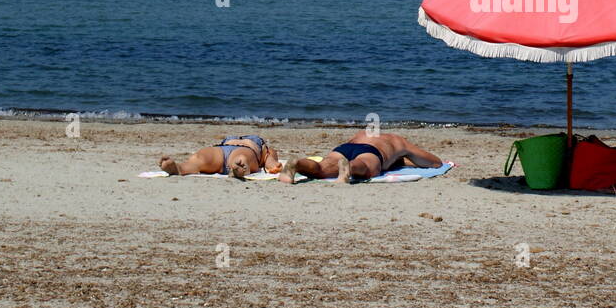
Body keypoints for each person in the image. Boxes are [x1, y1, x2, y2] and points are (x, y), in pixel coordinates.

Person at [279, 131, 443, 184]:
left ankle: (297, 163)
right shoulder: (397, 140)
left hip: (345, 148)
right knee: (366, 166)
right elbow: (433, 162)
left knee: (323, 168)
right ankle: (350, 167)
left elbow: (350, 145)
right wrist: (408, 155)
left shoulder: (362, 133)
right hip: (371, 151)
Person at [159, 135, 283, 179]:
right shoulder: (261, 145)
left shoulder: (231, 139)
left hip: (222, 148)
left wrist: (270, 161)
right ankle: (238, 167)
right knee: (240, 157)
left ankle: (180, 168)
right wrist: (271, 162)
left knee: (200, 158)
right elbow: (268, 156)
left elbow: (268, 158)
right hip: (245, 150)